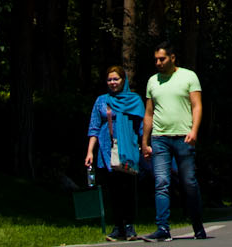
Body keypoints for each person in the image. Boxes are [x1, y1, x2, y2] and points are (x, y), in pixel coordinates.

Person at [141, 42, 206, 241]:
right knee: (161, 182)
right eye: (156, 60)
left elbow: (197, 105)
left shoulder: (188, 76)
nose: (158, 63)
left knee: (189, 182)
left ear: (172, 58)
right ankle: (162, 228)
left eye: (162, 59)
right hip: (159, 138)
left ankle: (197, 225)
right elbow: (149, 113)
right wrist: (145, 142)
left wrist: (194, 131)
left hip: (183, 137)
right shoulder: (153, 81)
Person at [85, 65, 145, 241]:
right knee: (114, 189)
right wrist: (90, 151)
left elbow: (142, 126)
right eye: (109, 79)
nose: (112, 82)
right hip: (107, 149)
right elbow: (94, 127)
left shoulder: (134, 100)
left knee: (128, 187)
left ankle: (129, 225)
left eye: (116, 79)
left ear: (123, 80)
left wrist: (145, 145)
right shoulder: (101, 101)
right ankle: (118, 226)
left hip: (128, 148)